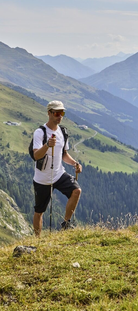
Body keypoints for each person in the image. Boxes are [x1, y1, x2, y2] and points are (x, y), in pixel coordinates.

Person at [32, 100, 82, 237]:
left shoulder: (63, 132)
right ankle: (37, 240)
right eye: (57, 113)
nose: (60, 116)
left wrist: (74, 164)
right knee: (39, 211)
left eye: (62, 113)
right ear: (49, 113)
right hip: (42, 179)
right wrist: (47, 145)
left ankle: (66, 224)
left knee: (76, 191)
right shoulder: (40, 132)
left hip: (59, 174)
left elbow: (64, 154)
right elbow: (36, 155)